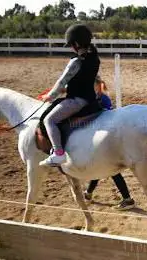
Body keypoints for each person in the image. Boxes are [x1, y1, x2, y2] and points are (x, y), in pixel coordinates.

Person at [39, 24, 100, 167]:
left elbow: (61, 81)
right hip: (90, 99)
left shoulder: (75, 61)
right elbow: (85, 80)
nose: (71, 48)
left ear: (77, 44)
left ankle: (58, 153)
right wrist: (67, 89)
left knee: (49, 120)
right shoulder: (94, 58)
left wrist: (50, 96)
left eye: (71, 45)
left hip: (77, 101)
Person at [83, 76, 136, 211]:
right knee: (100, 166)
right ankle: (88, 194)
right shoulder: (94, 97)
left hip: (106, 138)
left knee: (110, 169)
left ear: (97, 86)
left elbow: (106, 116)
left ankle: (127, 199)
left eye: (91, 86)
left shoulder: (103, 99)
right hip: (101, 137)